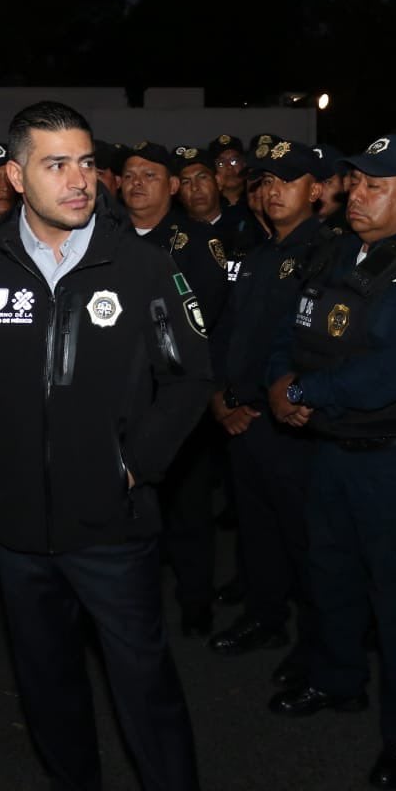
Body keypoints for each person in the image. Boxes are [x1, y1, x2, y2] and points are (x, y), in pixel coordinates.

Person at [0, 100, 211, 791]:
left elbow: (187, 376)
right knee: (49, 695)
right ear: (16, 176)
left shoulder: (140, 264)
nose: (79, 180)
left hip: (113, 530)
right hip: (18, 535)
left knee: (146, 696)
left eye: (86, 162)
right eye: (56, 165)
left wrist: (134, 466)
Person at [264, 134, 396, 791]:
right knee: (332, 576)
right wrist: (280, 380)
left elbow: (394, 370)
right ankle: (338, 680)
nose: (357, 195)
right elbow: (291, 327)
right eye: (355, 182)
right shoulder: (335, 251)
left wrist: (304, 392)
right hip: (334, 452)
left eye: (376, 186)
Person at [206, 141, 331, 687]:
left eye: (287, 180)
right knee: (257, 531)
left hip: (291, 422)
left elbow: (320, 346)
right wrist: (220, 396)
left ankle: (318, 645)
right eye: (266, 181)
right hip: (242, 416)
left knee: (306, 540)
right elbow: (227, 334)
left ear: (316, 190)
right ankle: (265, 617)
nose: (273, 191)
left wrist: (268, 397)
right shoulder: (257, 255)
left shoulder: (327, 254)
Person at [122, 140, 228, 636]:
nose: (137, 183)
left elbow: (210, 322)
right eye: (130, 175)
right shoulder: (104, 241)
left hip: (181, 396)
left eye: (150, 175)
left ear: (172, 185)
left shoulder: (195, 243)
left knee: (188, 506)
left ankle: (196, 603)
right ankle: (134, 606)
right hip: (124, 398)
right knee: (131, 506)